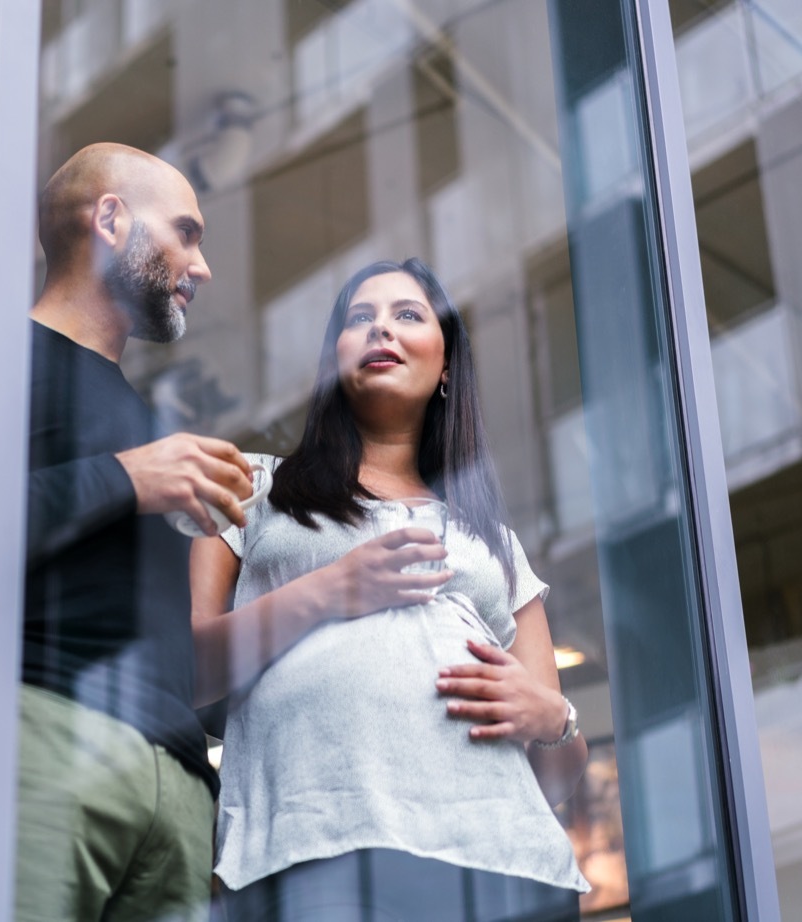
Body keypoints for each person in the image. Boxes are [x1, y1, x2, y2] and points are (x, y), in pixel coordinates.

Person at [191, 258, 590, 920]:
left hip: (508, 863)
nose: (381, 329)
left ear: (446, 365)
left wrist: (554, 719)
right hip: (313, 851)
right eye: (359, 318)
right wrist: (329, 590)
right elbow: (186, 673)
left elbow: (556, 776)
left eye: (407, 315)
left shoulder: (492, 539)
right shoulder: (252, 487)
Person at [17, 143, 254, 922]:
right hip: (45, 741)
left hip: (181, 790)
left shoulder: (145, 419)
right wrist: (129, 479)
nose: (203, 265)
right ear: (111, 219)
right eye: (185, 232)